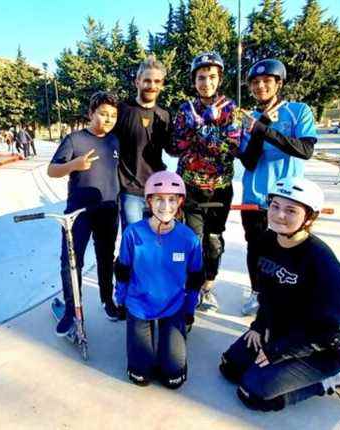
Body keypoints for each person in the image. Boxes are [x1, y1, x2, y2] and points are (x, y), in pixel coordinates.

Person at [219, 177, 340, 412]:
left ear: (309, 218)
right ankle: (272, 368)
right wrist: (259, 325)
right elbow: (267, 291)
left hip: (322, 347)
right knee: (230, 367)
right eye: (275, 206)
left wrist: (278, 351)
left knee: (252, 393)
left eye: (291, 210)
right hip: (282, 330)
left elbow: (334, 335)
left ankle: (333, 379)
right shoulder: (265, 242)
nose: (279, 216)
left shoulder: (322, 264)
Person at [238, 58, 317, 316]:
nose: (260, 86)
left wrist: (266, 129)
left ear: (278, 83)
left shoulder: (298, 111)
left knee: (291, 249)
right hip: (256, 197)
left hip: (289, 198)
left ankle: (287, 297)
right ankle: (256, 293)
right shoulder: (249, 118)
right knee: (256, 249)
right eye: (255, 83)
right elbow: (248, 160)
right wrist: (259, 126)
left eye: (266, 81)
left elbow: (305, 150)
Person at [166, 51, 241, 312]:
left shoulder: (230, 109)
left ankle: (208, 286)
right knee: (192, 239)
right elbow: (175, 146)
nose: (205, 82)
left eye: (211, 77)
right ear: (194, 80)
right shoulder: (185, 109)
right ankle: (192, 287)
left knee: (212, 240)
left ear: (219, 78)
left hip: (219, 189)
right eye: (200, 77)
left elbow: (231, 147)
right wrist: (200, 128)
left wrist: (202, 132)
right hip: (191, 187)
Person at [115, 171, 203, 388]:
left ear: (180, 201)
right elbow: (123, 270)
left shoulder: (189, 238)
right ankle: (144, 339)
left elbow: (194, 279)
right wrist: (121, 299)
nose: (166, 206)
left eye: (172, 199)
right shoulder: (133, 233)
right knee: (140, 376)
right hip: (139, 306)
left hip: (173, 305)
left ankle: (168, 340)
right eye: (159, 199)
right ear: (149, 201)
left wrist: (190, 309)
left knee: (173, 377)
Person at [47, 91, 122, 336]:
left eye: (112, 115)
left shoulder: (114, 141)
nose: (108, 119)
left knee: (105, 257)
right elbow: (52, 170)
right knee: (71, 262)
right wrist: (74, 165)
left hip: (108, 209)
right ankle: (71, 310)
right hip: (78, 214)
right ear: (91, 113)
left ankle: (107, 300)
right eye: (102, 113)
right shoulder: (74, 140)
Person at [113, 55, 170, 228]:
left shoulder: (164, 115)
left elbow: (172, 148)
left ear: (161, 85)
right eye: (147, 80)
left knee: (156, 241)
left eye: (157, 81)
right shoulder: (121, 110)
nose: (152, 86)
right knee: (135, 243)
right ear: (137, 82)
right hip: (129, 191)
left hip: (157, 190)